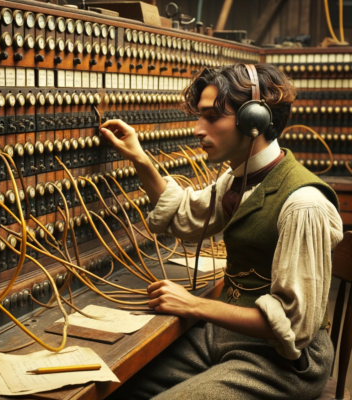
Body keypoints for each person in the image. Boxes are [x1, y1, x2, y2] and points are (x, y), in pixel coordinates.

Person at [100, 64, 344, 400]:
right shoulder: (237, 180)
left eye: (212, 117)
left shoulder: (304, 204)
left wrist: (194, 305)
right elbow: (188, 216)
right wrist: (140, 159)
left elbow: (294, 325)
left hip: (282, 360)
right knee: (115, 384)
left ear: (253, 121)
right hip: (226, 338)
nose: (198, 130)